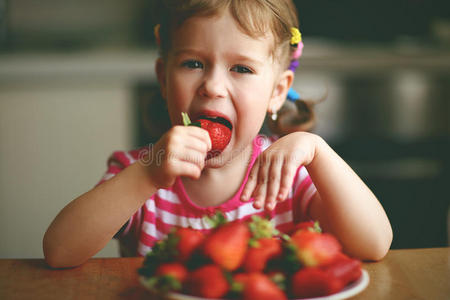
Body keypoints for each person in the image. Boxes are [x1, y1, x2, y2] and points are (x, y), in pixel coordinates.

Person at [43, 0, 392, 268]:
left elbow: (374, 244)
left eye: (241, 68)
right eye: (193, 63)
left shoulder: (288, 176)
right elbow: (59, 252)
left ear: (277, 91)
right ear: (163, 78)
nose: (212, 86)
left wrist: (318, 152)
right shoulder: (141, 170)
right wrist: (147, 175)